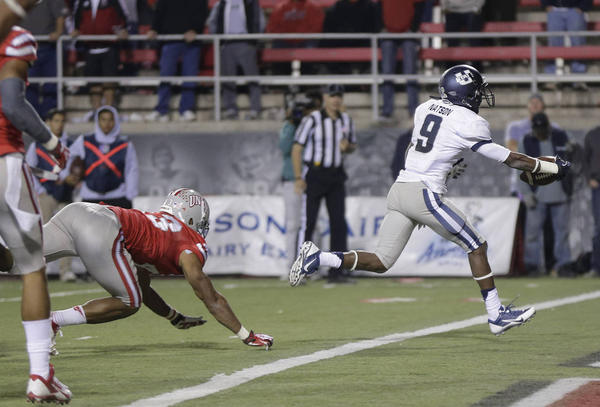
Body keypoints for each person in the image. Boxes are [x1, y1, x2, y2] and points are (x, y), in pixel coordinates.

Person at [290, 65, 571, 336]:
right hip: (423, 193)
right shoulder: (470, 121)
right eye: (477, 90)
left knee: (381, 261)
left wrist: (445, 170)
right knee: (477, 245)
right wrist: (547, 167)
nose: (480, 96)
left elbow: (423, 149)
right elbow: (511, 159)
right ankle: (496, 315)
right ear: (467, 93)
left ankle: (318, 257)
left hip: (401, 188)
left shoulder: (424, 108)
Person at [44, 189, 274, 353]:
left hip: (78, 211)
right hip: (101, 226)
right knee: (129, 301)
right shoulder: (189, 241)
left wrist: (173, 317)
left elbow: (143, 288)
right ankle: (53, 320)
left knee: (14, 260)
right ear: (192, 217)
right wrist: (246, 335)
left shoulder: (155, 230)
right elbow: (209, 296)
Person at [0, 26, 71, 403]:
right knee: (32, 267)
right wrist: (52, 143)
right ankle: (40, 373)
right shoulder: (14, 38)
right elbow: (11, 104)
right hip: (2, 162)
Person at [292, 84, 357, 283]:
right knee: (308, 222)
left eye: (339, 96)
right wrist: (298, 177)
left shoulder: (346, 120)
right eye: (332, 95)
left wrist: (348, 148)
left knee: (338, 223)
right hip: (315, 174)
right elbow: (297, 147)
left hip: (336, 175)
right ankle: (300, 269)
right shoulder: (312, 119)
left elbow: (352, 146)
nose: (336, 100)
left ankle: (337, 271)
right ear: (325, 97)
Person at [25, 109, 80, 282]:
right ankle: (43, 268)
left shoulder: (71, 144)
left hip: (66, 194)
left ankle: (67, 271)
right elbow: (30, 169)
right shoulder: (37, 145)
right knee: (42, 233)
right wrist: (40, 190)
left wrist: (74, 180)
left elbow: (76, 170)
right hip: (46, 194)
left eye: (62, 121)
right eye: (56, 120)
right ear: (48, 122)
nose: (59, 124)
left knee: (68, 233)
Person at [518, 112, 573, 276]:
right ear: (533, 128)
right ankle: (532, 265)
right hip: (537, 194)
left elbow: (572, 165)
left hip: (561, 193)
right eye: (538, 128)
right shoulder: (526, 141)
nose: (540, 132)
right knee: (532, 233)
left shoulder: (562, 136)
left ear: (548, 126)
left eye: (543, 128)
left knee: (562, 231)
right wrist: (525, 193)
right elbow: (520, 168)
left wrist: (571, 188)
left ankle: (563, 265)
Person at [145, 0, 208, 123]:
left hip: (192, 41)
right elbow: (159, 10)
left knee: (190, 77)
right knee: (166, 75)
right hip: (170, 39)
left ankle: (186, 110)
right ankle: (161, 111)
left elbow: (203, 12)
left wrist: (195, 29)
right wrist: (154, 28)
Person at [71, 0, 132, 120]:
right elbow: (76, 21)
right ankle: (97, 113)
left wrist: (124, 30)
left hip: (109, 48)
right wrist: (76, 31)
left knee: (109, 83)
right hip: (90, 48)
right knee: (93, 83)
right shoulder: (82, 2)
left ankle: (109, 113)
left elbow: (125, 18)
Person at [69, 106, 139, 208]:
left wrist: (130, 194)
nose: (107, 123)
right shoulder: (84, 140)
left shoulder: (125, 144)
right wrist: (65, 175)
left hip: (118, 196)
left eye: (110, 119)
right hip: (90, 197)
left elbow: (132, 169)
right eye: (103, 119)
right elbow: (68, 156)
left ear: (115, 121)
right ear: (98, 121)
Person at [207, 0, 265, 120]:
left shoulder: (250, 2)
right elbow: (211, 22)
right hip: (227, 43)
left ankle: (255, 108)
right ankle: (230, 109)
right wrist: (220, 40)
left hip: (246, 43)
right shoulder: (221, 4)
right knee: (227, 79)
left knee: (252, 78)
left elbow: (261, 21)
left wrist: (254, 40)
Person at [505, 94, 561, 195]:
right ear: (528, 106)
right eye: (532, 102)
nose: (535, 105)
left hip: (547, 182)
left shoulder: (554, 128)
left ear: (543, 106)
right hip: (522, 182)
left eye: (538, 102)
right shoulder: (515, 127)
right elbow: (512, 151)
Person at [279, 95, 311, 274]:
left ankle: (311, 265)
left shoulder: (311, 125)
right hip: (291, 179)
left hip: (311, 180)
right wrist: (291, 124)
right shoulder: (288, 127)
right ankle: (290, 267)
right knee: (292, 224)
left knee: (313, 224)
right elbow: (284, 148)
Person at [20, 0, 67, 119]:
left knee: (51, 83)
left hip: (49, 47)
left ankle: (49, 115)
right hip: (27, 48)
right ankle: (33, 116)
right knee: (29, 84)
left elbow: (61, 17)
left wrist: (58, 32)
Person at [380, 0, 424, 121]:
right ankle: (387, 110)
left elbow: (420, 6)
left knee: (410, 72)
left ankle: (413, 110)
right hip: (388, 33)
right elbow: (377, 6)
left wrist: (413, 28)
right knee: (387, 72)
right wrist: (381, 27)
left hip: (408, 33)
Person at [542, 0, 592, 90]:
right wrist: (546, 5)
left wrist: (583, 7)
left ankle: (579, 78)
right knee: (553, 45)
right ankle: (551, 78)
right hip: (554, 10)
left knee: (578, 44)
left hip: (575, 9)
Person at [441, 0, 485, 71]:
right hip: (452, 10)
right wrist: (444, 7)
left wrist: (476, 8)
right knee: (451, 41)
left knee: (475, 41)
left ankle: (477, 69)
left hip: (471, 9)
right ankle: (450, 70)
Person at [583, 125, 600, 277]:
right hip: (598, 186)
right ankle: (596, 267)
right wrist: (589, 178)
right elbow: (585, 160)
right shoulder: (592, 135)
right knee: (598, 228)